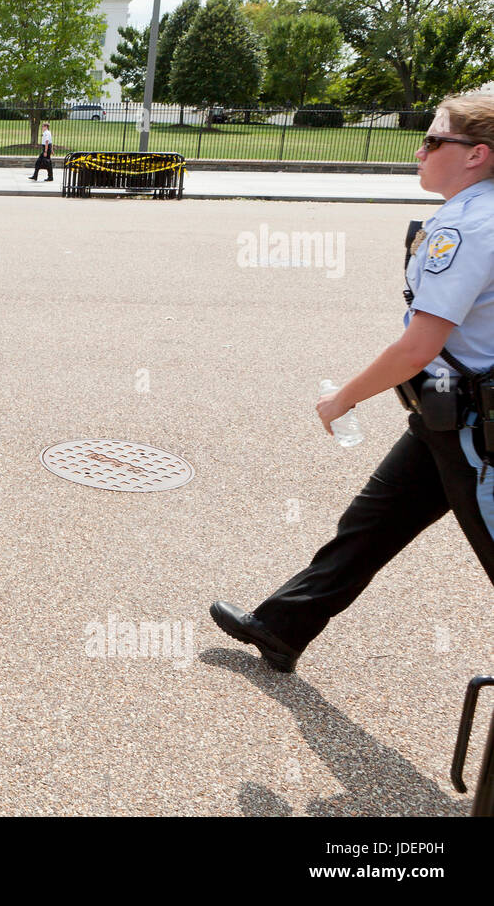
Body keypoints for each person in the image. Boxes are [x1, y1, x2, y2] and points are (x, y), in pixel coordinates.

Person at [211, 91, 494, 672]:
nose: (421, 150)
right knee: (370, 524)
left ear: (477, 155)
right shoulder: (477, 212)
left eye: (436, 140)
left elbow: (418, 347)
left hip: (474, 429)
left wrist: (344, 397)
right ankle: (283, 626)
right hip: (448, 416)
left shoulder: (469, 227)